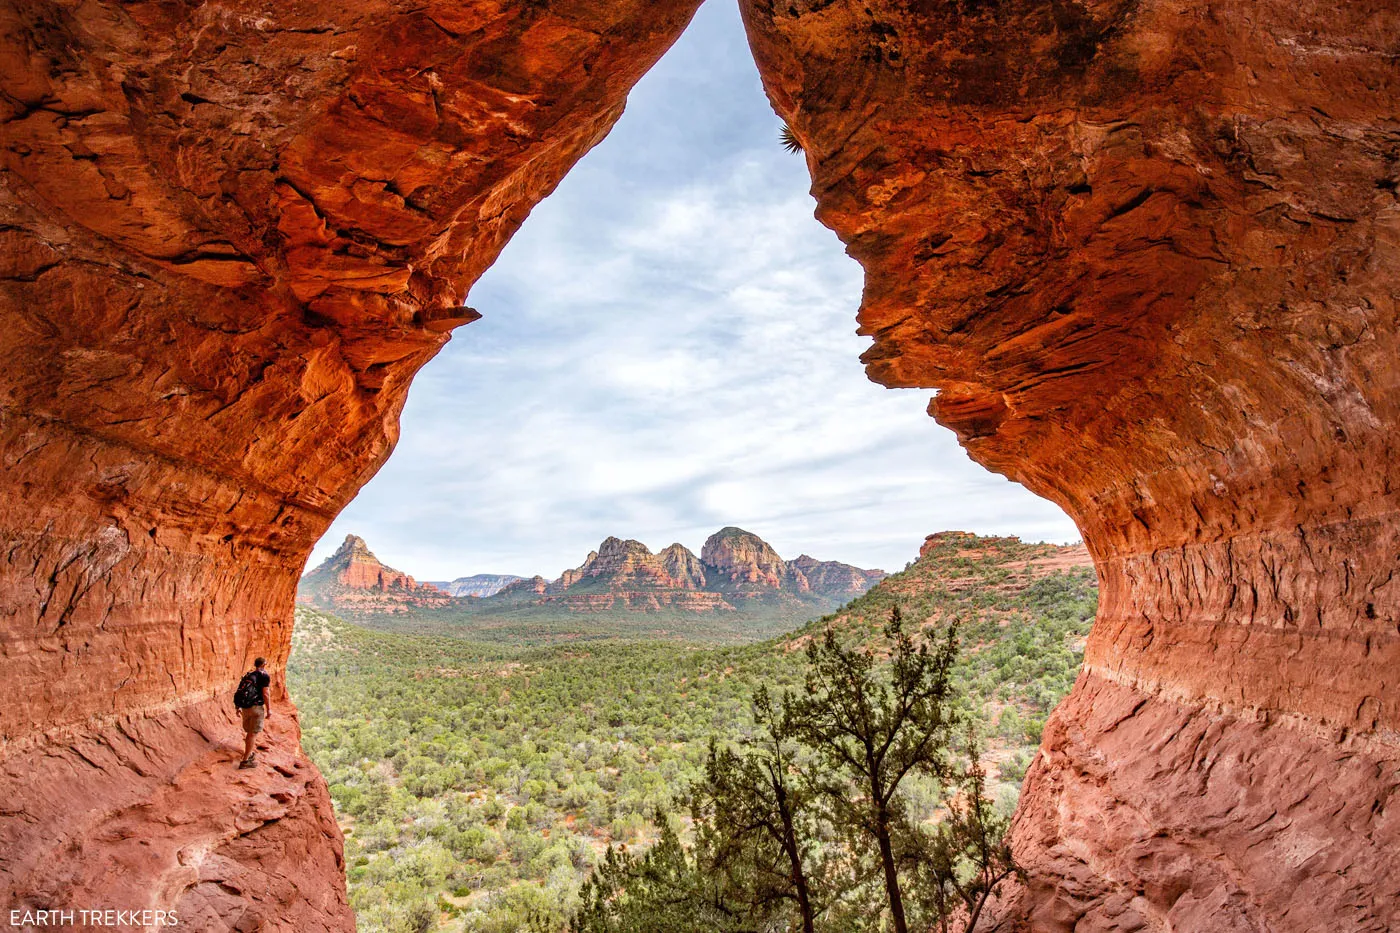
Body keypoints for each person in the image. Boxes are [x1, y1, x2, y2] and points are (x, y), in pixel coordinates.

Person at [233, 657, 273, 769]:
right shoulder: (264, 676)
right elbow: (266, 694)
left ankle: (249, 753)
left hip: (245, 707)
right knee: (253, 733)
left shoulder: (249, 675)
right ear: (264, 664)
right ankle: (245, 761)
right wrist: (269, 709)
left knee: (249, 733)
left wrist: (238, 707)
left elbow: (240, 691)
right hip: (256, 707)